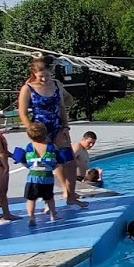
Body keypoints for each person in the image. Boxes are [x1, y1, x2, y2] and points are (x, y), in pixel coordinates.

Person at [17, 55, 82, 208]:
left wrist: (65, 127)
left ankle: (71, 196)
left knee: (70, 161)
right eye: (41, 76)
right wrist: (32, 130)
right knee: (47, 164)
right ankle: (48, 199)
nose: (45, 79)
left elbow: (61, 106)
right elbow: (22, 113)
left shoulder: (56, 84)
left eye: (47, 75)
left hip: (57, 126)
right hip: (40, 130)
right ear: (34, 73)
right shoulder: (28, 88)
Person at [15, 122, 60, 227]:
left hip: (33, 177)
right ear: (46, 134)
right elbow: (58, 161)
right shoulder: (52, 146)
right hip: (47, 177)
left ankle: (31, 217)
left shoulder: (30, 147)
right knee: (49, 198)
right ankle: (53, 215)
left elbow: (24, 161)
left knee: (31, 199)